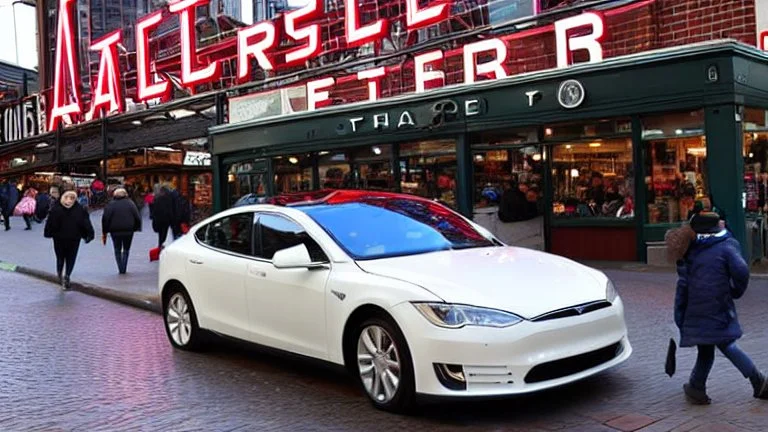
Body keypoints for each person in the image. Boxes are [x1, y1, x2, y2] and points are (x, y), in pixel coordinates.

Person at [667, 211, 768, 404]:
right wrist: (734, 290)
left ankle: (697, 386)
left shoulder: (689, 251)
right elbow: (741, 272)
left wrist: (679, 315)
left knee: (708, 346)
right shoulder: (727, 246)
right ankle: (759, 381)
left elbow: (683, 286)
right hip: (718, 306)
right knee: (724, 344)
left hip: (695, 311)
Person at [44, 190, 95, 290]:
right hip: (74, 238)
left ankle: (60, 273)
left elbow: (50, 223)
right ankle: (66, 275)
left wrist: (49, 233)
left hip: (59, 238)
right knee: (71, 258)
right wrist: (89, 235)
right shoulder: (79, 209)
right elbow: (85, 223)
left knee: (60, 257)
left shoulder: (56, 209)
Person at [102, 188, 142, 274]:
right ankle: (124, 267)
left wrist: (105, 231)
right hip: (128, 231)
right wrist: (136, 228)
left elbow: (105, 218)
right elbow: (137, 217)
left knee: (117, 249)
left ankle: (120, 268)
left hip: (115, 231)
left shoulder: (111, 205)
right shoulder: (131, 204)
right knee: (126, 250)